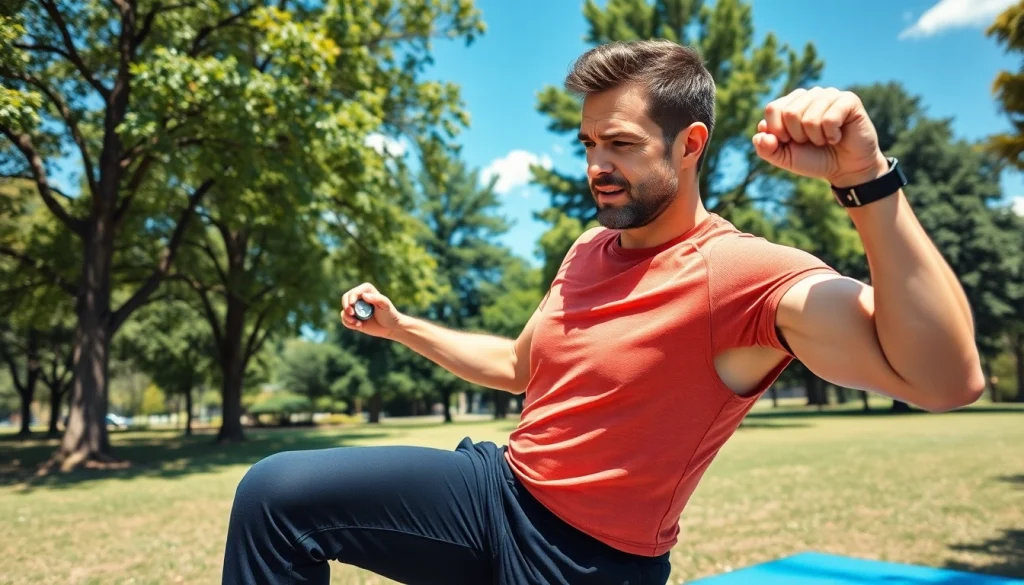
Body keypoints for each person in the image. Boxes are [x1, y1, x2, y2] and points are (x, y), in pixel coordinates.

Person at [220, 39, 984, 585]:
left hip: (585, 560)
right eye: (587, 142)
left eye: (618, 144)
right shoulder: (589, 248)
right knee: (276, 496)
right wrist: (400, 326)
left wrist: (868, 183)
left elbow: (946, 379)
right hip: (497, 494)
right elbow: (520, 368)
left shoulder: (741, 273)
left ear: (689, 145)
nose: (595, 167)